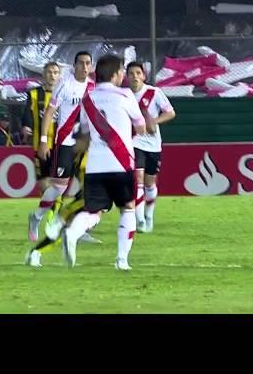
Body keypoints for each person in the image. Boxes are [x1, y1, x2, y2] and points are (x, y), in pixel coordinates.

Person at [61, 54, 149, 270]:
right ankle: (121, 260)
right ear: (115, 74)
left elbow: (83, 133)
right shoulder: (126, 95)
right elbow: (141, 127)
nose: (123, 76)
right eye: (121, 71)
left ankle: (72, 232)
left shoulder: (87, 99)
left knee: (94, 211)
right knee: (127, 208)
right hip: (121, 163)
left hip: (95, 166)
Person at [30, 52, 94, 243]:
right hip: (66, 142)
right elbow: (49, 113)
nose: (84, 67)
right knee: (59, 188)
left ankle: (77, 228)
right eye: (81, 63)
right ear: (74, 66)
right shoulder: (64, 84)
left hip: (87, 143)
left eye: (88, 63)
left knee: (89, 186)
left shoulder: (94, 87)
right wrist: (43, 140)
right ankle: (37, 217)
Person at [25, 150, 100, 268]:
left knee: (68, 229)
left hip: (86, 199)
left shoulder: (87, 155)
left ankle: (37, 252)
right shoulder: (87, 157)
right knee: (63, 230)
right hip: (84, 202)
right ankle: (35, 252)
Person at [126, 61, 176, 233]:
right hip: (133, 142)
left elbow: (170, 112)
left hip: (153, 144)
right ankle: (139, 220)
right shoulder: (124, 95)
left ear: (143, 76)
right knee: (137, 178)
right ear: (126, 77)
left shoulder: (154, 93)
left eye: (138, 73)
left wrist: (154, 121)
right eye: (131, 73)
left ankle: (149, 215)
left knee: (150, 182)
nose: (134, 77)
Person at [21, 62, 60, 203]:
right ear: (44, 75)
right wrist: (26, 126)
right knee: (44, 179)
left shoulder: (64, 95)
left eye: (55, 72)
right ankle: (48, 206)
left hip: (60, 144)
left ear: (59, 76)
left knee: (58, 179)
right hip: (40, 144)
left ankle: (52, 207)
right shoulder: (34, 94)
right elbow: (27, 114)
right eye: (49, 72)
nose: (52, 75)